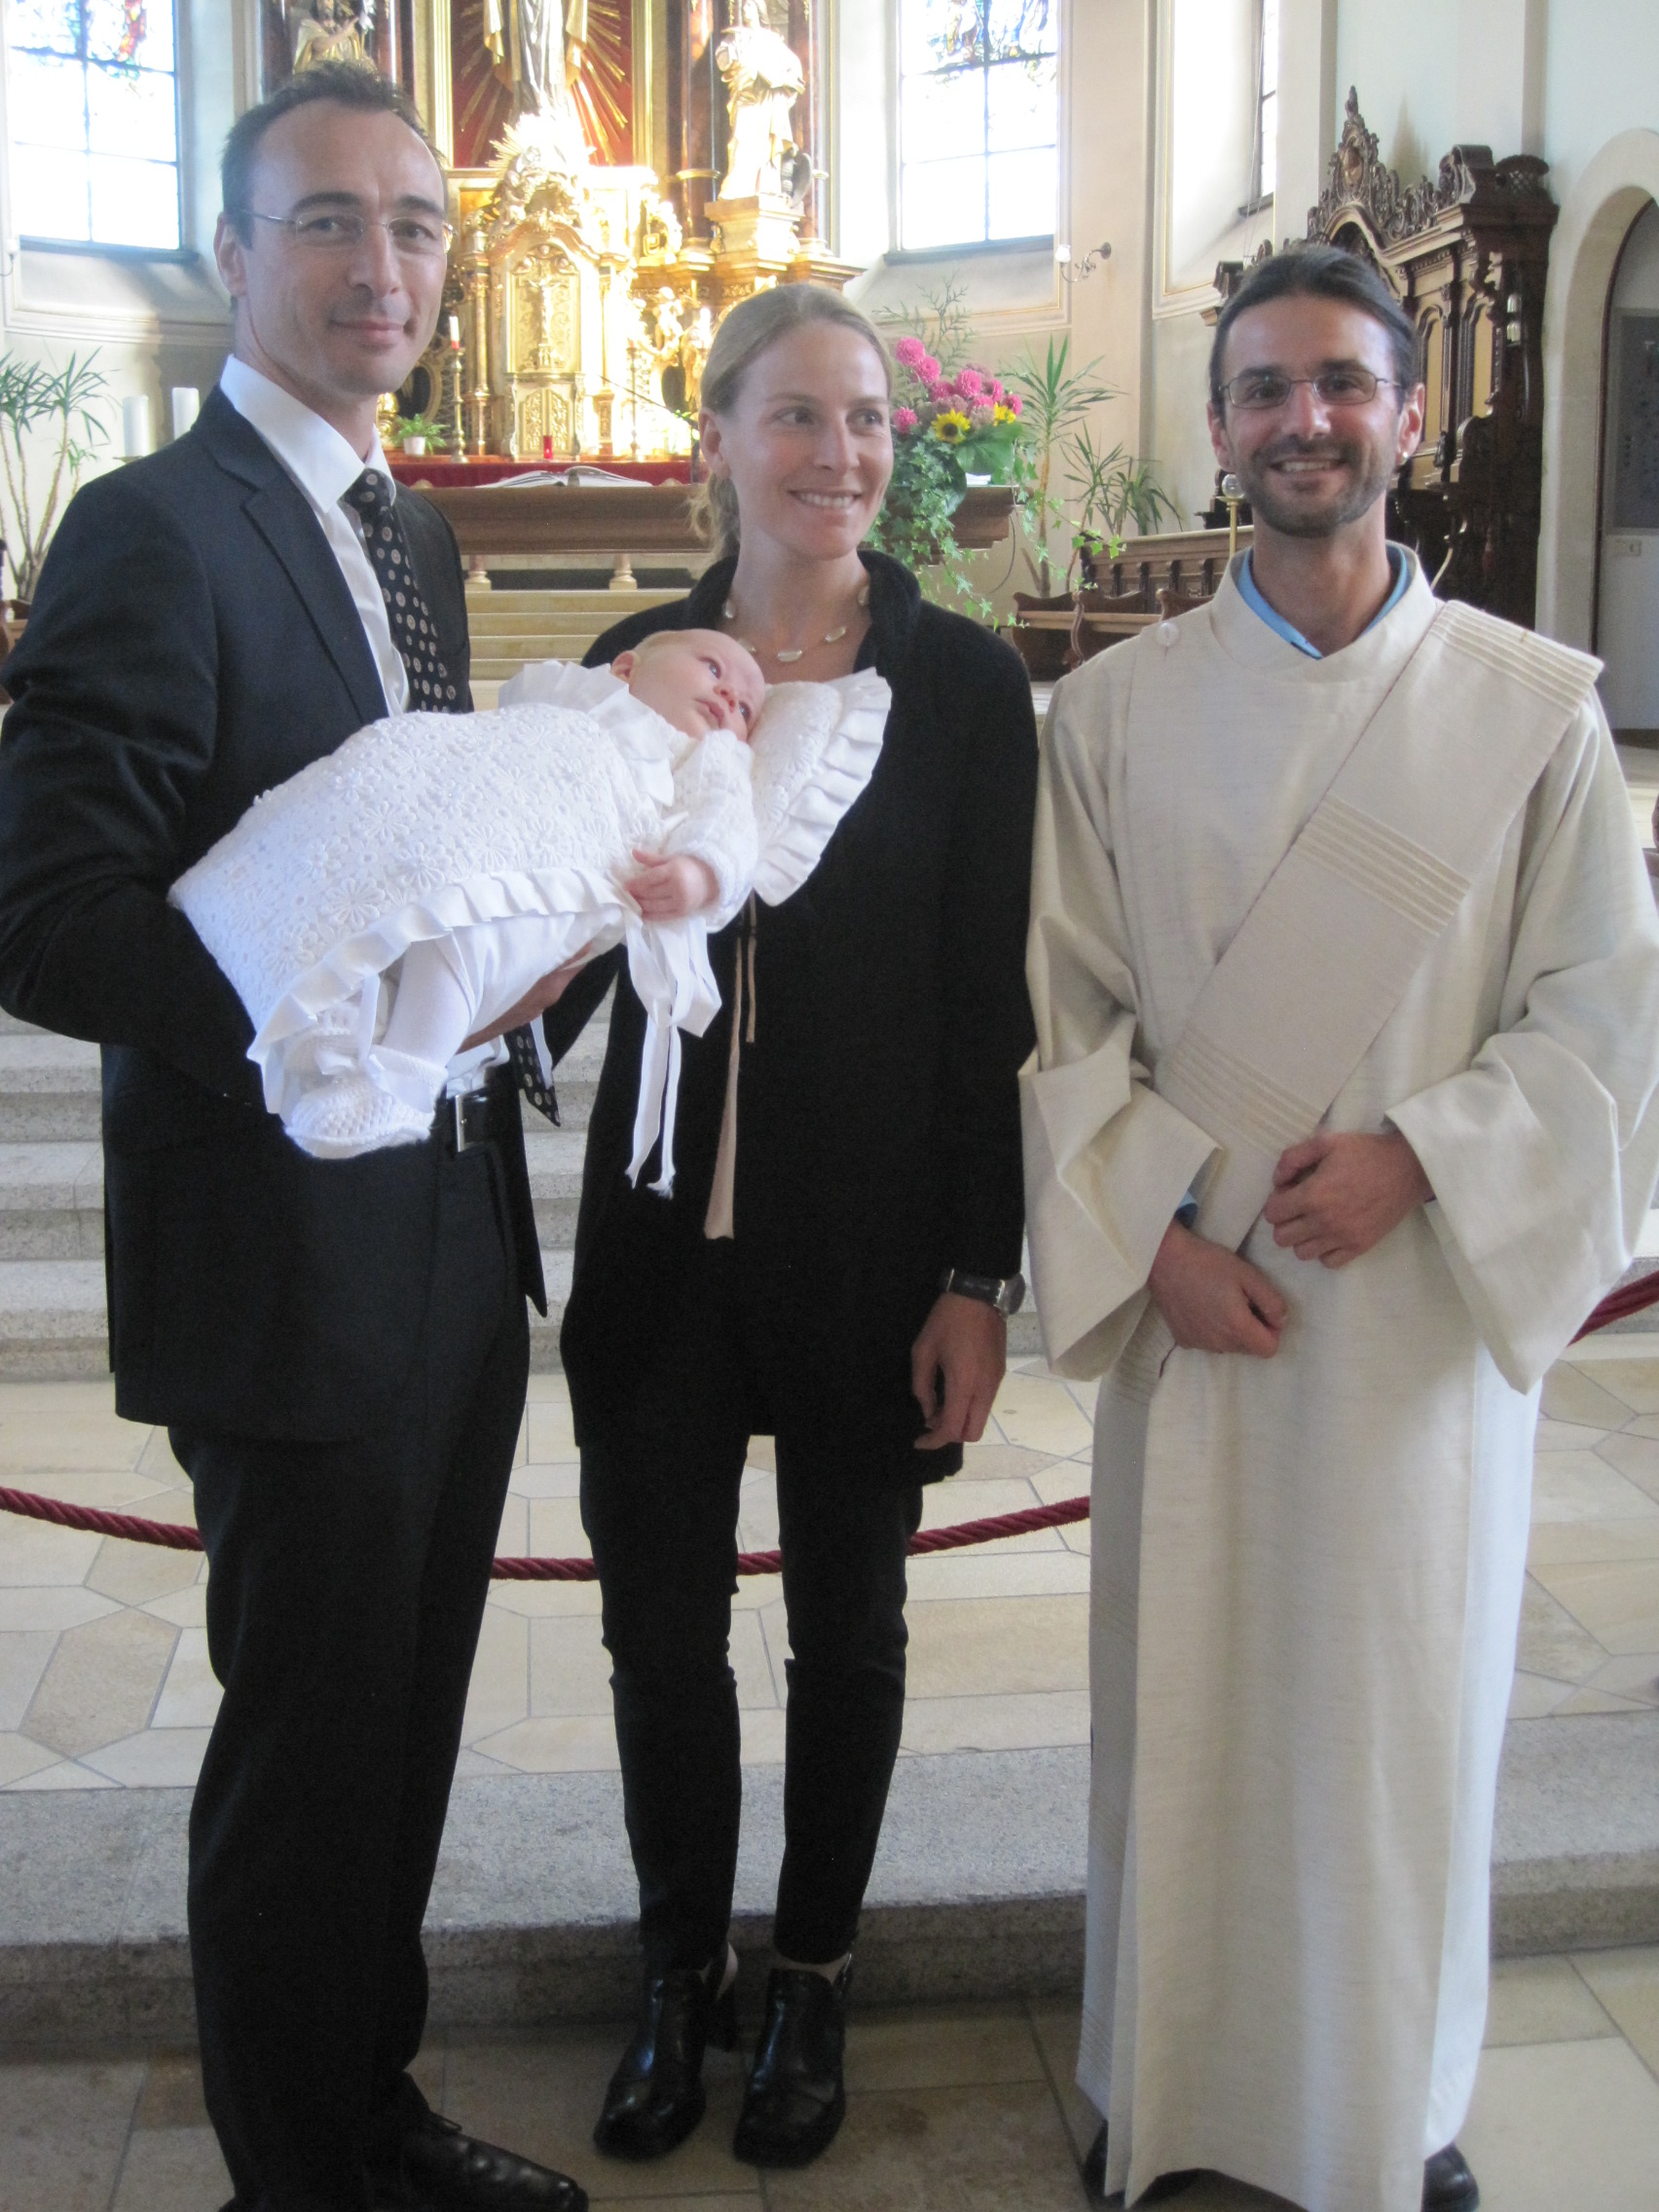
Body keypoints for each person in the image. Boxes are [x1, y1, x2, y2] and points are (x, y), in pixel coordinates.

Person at [0, 64, 586, 2212]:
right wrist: (334, 1014)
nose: (379, 264)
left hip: (446, 1238)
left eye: (414, 224)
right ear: (233, 255)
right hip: (277, 1246)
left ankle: (367, 2109)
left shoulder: (407, 530)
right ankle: (296, 2174)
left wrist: (542, 948)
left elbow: (420, 866)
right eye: (325, 219)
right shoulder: (154, 526)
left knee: (403, 1719)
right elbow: (47, 913)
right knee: (305, 1746)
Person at [1021, 240, 1659, 2212]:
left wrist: (1433, 1157)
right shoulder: (1108, 716)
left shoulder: (1527, 716)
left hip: (1408, 1337)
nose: (1304, 418)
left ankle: (1386, 2110)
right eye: (1264, 388)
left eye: (1341, 384)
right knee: (1192, 1715)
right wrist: (1150, 1243)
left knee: (1392, 1721)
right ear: (1219, 427)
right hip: (1199, 1320)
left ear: (1406, 414)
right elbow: (1062, 1021)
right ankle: (1171, 2089)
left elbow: (1603, 1015)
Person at [538, 281, 1038, 2170]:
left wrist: (975, 1274)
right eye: (798, 416)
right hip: (657, 1251)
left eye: (868, 420)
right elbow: (565, 946)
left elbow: (989, 1005)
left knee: (852, 1626)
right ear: (720, 440)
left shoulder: (962, 686)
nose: (841, 454)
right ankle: (681, 1967)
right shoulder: (635, 659)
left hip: (868, 1254)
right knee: (659, 1635)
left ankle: (810, 1970)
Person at [172, 630, 886, 1167]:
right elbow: (493, 739)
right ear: (628, 668)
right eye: (714, 667)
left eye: (747, 709)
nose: (730, 697)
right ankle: (321, 1022)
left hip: (559, 854)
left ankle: (402, 1075)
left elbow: (731, 831)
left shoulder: (708, 760)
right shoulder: (576, 693)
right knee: (373, 804)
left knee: (467, 930)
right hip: (475, 810)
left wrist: (698, 876)